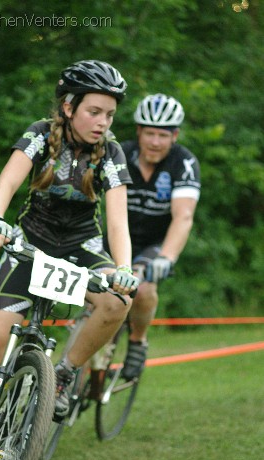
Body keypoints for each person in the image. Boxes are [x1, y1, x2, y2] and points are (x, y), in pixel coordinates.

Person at [0, 60, 139, 460]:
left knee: (119, 301)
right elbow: (7, 182)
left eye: (110, 115)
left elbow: (118, 222)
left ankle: (63, 373)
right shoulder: (41, 133)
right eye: (94, 111)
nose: (103, 122)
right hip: (31, 242)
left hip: (82, 246)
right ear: (68, 106)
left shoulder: (111, 153)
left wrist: (123, 268)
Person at [120, 93, 201, 381]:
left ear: (175, 135)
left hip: (154, 243)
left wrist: (166, 258)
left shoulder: (184, 163)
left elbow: (183, 217)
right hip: (117, 238)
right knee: (95, 302)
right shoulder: (121, 154)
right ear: (139, 132)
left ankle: (137, 341)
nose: (155, 141)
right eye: (150, 133)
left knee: (143, 288)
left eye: (163, 135)